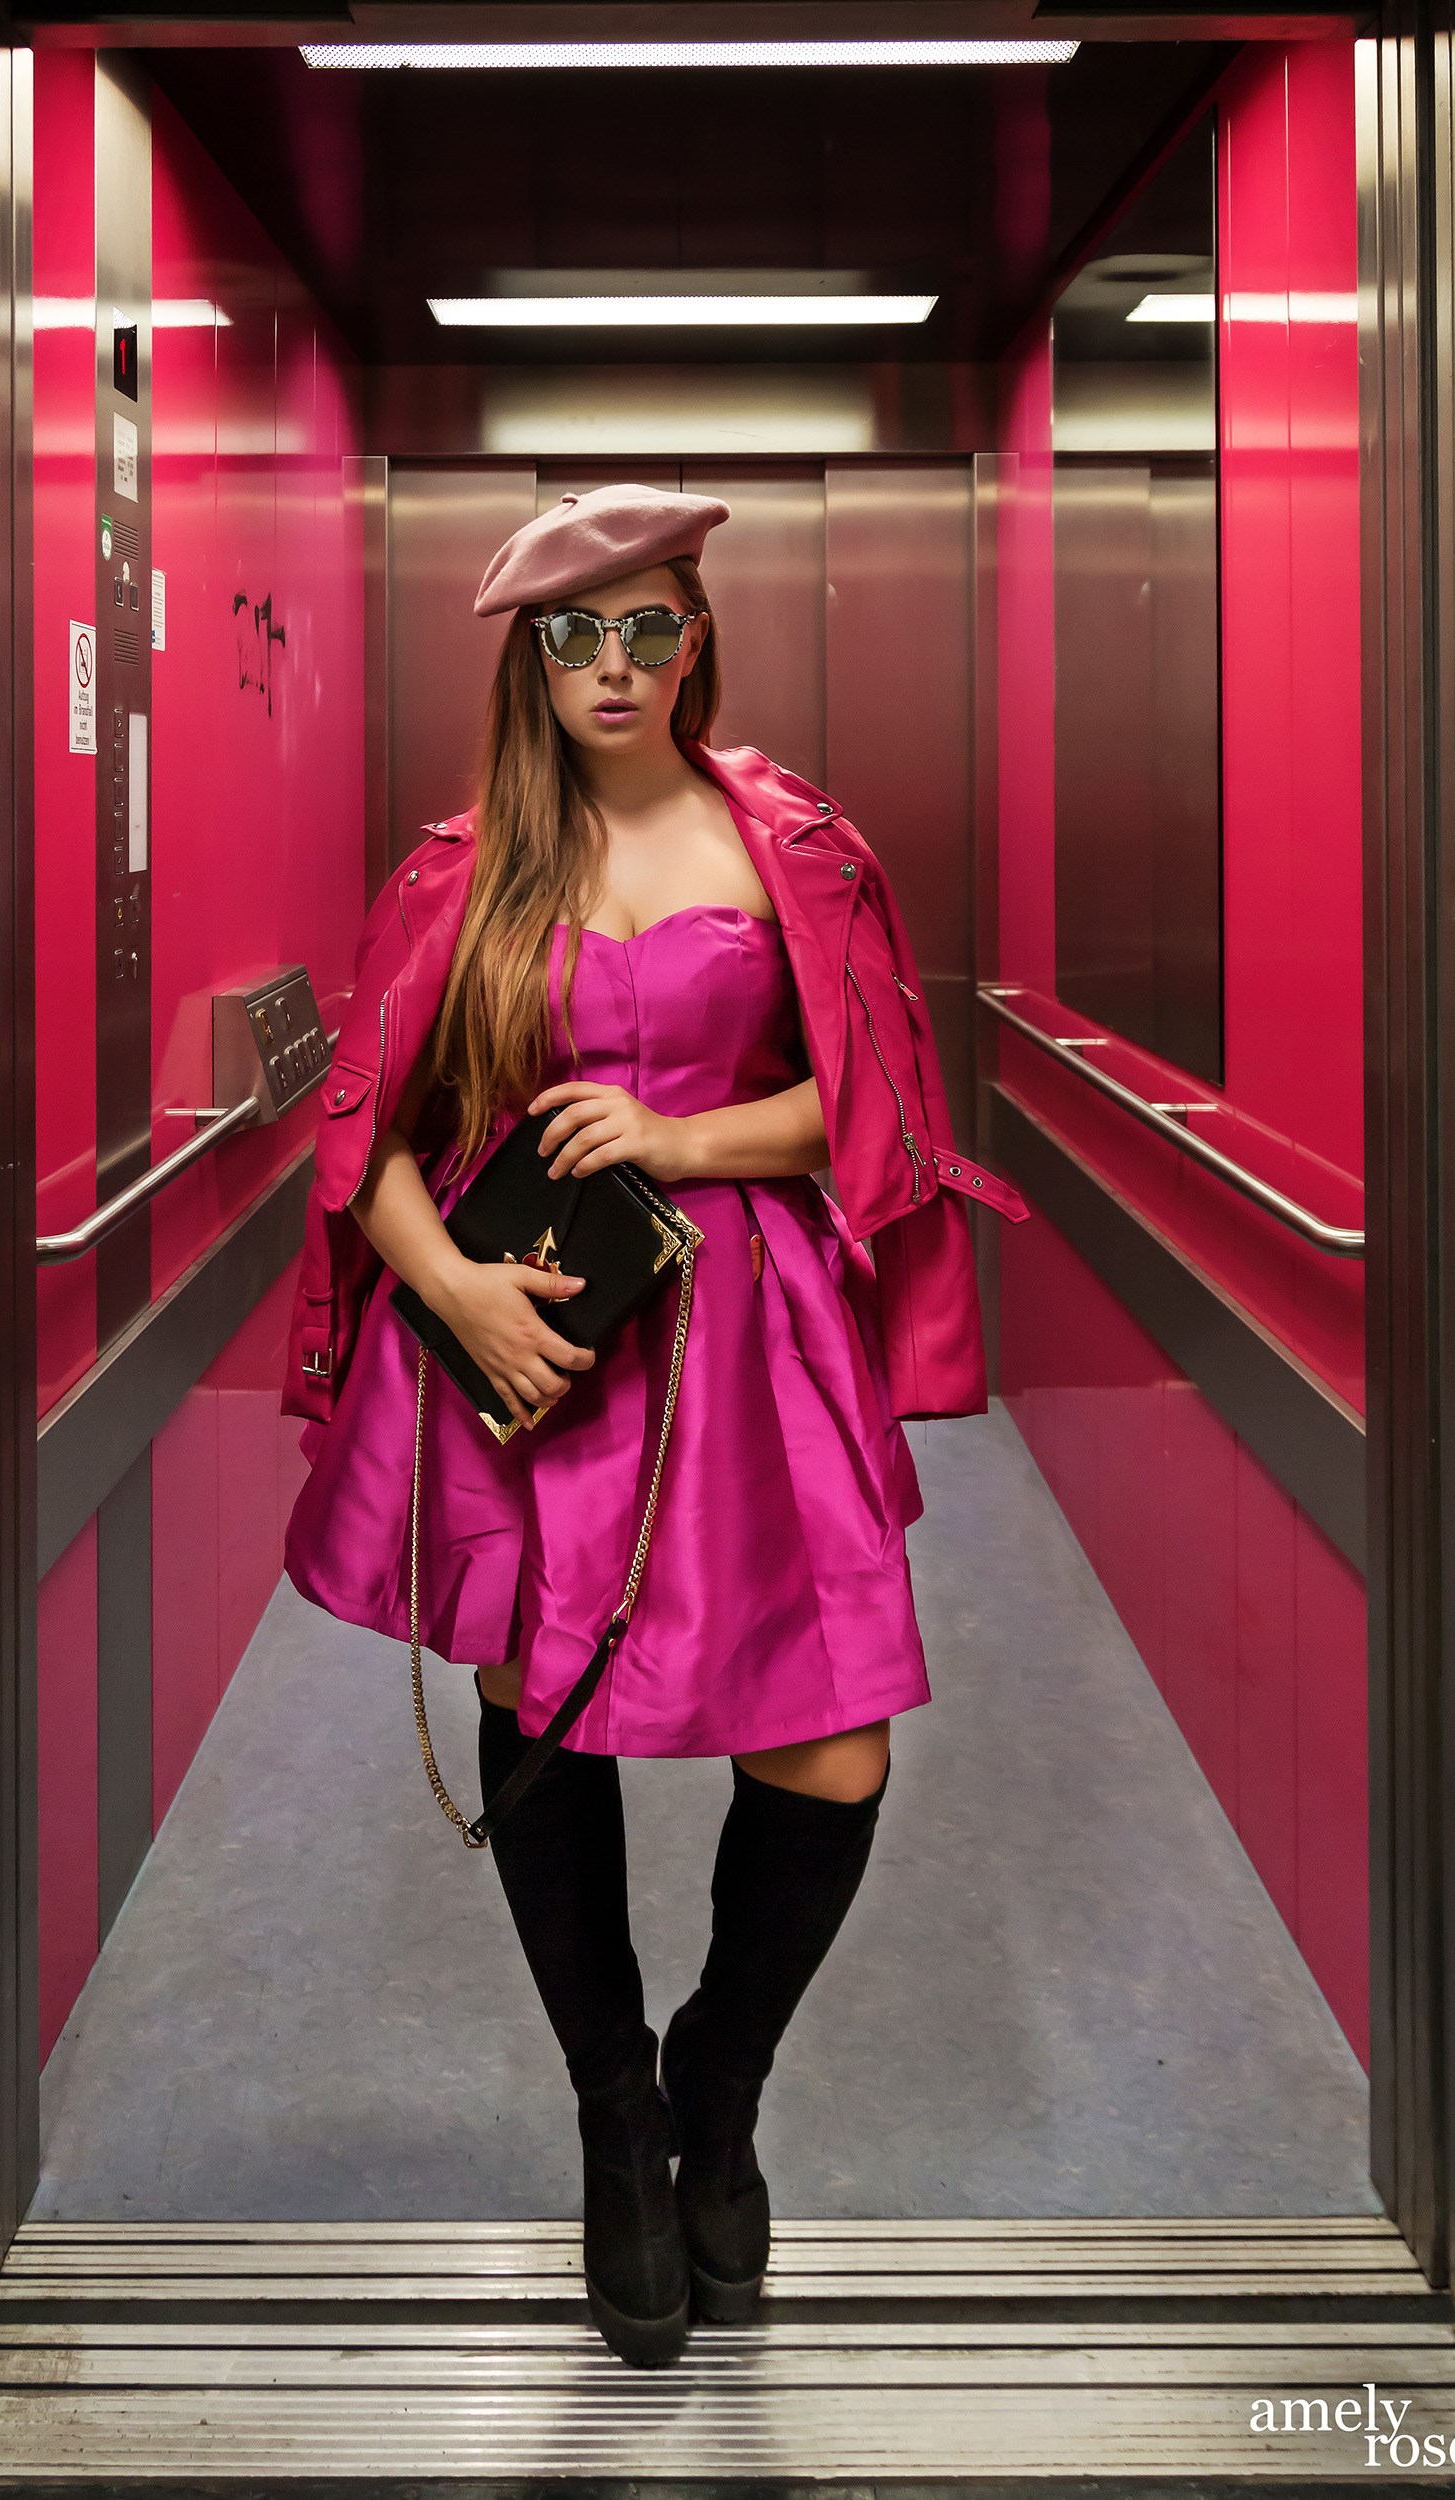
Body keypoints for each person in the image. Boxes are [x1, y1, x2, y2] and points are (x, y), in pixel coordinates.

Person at [282, 483, 1026, 2370]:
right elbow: (357, 1143)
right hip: (531, 1343)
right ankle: (619, 2112)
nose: (613, 668)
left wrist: (684, 1138)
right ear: (526, 662)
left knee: (831, 1743)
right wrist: (450, 1290)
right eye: (572, 636)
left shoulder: (801, 846)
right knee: (548, 1729)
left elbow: (874, 1109)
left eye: (649, 630)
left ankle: (720, 2075)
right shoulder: (461, 872)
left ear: (700, 640)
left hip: (753, 1338)